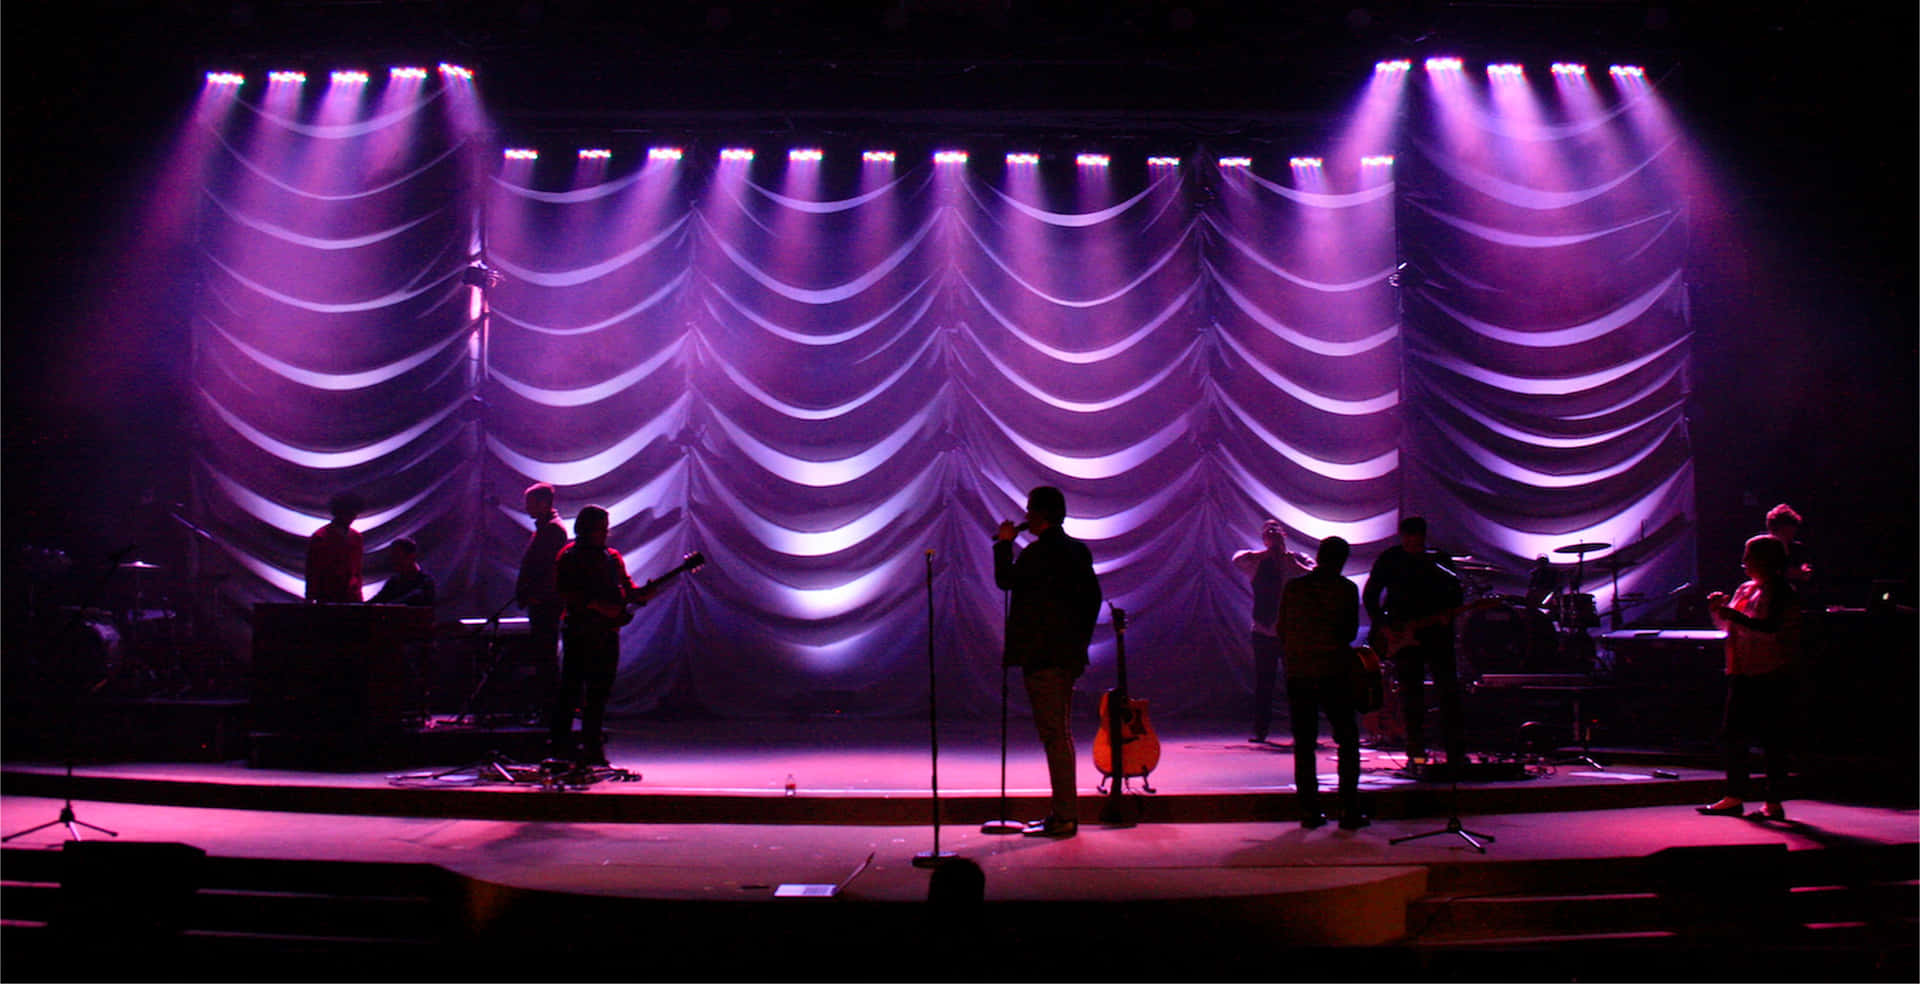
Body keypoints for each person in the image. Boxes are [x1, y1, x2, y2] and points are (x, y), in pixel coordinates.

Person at [994, 486, 1102, 838]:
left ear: (1039, 516)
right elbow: (1092, 600)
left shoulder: (1038, 554)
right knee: (1061, 734)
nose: (1026, 517)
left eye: (1029, 511)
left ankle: (1065, 816)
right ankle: (1063, 812)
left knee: (1055, 735)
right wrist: (1077, 646)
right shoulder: (1077, 551)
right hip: (1066, 656)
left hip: (1043, 657)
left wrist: (1003, 543)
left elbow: (1004, 580)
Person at [1698, 535, 1803, 821]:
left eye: (1749, 557)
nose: (1744, 563)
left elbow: (1770, 628)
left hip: (1770, 671)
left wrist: (1734, 615)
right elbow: (1729, 626)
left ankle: (1773, 799)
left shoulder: (1781, 591)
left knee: (1772, 738)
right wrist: (1718, 611)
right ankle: (1735, 795)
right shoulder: (1745, 588)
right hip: (1741, 670)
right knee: (1733, 734)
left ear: (1766, 561)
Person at [548, 505, 656, 765]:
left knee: (599, 692)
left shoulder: (612, 557)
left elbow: (627, 589)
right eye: (600, 527)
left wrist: (642, 594)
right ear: (588, 528)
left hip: (606, 633)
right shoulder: (569, 555)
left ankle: (593, 749)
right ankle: (561, 748)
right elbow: (566, 592)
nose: (605, 532)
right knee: (571, 690)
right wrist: (598, 606)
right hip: (579, 631)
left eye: (605, 527)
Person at [1363, 516, 1465, 771]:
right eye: (1408, 537)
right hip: (1402, 635)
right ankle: (1416, 755)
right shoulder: (1390, 558)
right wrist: (1384, 625)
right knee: (1411, 695)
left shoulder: (1438, 560)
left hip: (1435, 634)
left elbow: (1456, 594)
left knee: (1448, 692)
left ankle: (1454, 753)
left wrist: (1447, 614)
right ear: (1402, 536)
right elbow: (1371, 595)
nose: (1412, 542)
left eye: (1416, 537)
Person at [1280, 536, 1367, 830]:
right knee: (1347, 740)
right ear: (1342, 561)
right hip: (1334, 672)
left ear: (1318, 556)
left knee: (1304, 744)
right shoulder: (1346, 589)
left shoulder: (1294, 588)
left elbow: (1282, 630)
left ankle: (1309, 811)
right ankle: (1349, 810)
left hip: (1300, 672)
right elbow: (1349, 632)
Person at [1231, 520, 1314, 744]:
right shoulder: (1257, 561)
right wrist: (1265, 554)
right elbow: (1237, 559)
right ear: (1264, 539)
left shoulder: (1297, 558)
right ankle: (1261, 730)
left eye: (1276, 533)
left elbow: (1314, 573)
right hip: (1264, 630)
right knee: (1264, 682)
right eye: (1269, 534)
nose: (1274, 537)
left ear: (1284, 535)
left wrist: (1291, 563)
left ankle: (1302, 732)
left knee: (1297, 684)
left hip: (1291, 632)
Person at [516, 483, 570, 681]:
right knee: (545, 656)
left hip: (545, 603)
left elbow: (547, 568)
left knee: (546, 657)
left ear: (544, 503)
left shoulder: (552, 530)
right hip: (543, 601)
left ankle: (550, 705)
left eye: (530, 503)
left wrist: (537, 596)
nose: (527, 507)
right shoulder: (548, 528)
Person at [305, 492, 364, 603]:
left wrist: (359, 595)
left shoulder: (357, 537)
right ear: (339, 512)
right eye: (349, 513)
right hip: (328, 596)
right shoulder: (320, 537)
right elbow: (312, 571)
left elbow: (358, 571)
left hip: (351, 596)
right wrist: (310, 597)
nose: (353, 517)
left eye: (354, 513)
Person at [367, 537, 435, 607]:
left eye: (398, 556)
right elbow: (377, 600)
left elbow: (414, 599)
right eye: (393, 557)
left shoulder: (425, 582)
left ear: (411, 556)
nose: (394, 561)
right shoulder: (393, 582)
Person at [1764, 503, 1813, 588]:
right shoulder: (1762, 548)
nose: (1792, 534)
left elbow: (1806, 570)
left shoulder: (1798, 548)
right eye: (1786, 531)